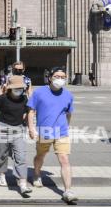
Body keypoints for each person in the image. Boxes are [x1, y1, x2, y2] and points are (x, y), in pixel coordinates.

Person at [27, 67, 78, 204]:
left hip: (61, 132)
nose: (60, 79)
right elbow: (31, 112)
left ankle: (68, 191)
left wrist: (66, 127)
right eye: (57, 76)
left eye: (63, 77)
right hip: (44, 131)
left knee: (64, 159)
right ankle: (37, 174)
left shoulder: (68, 95)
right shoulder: (39, 93)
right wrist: (31, 129)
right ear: (50, 77)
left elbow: (69, 113)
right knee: (41, 156)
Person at [0, 75, 32, 196]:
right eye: (16, 88)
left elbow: (28, 113)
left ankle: (23, 184)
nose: (19, 90)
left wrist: (29, 127)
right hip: (3, 128)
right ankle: (2, 175)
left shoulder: (24, 99)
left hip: (18, 129)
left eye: (21, 88)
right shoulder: (2, 98)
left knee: (21, 156)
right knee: (1, 154)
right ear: (10, 88)